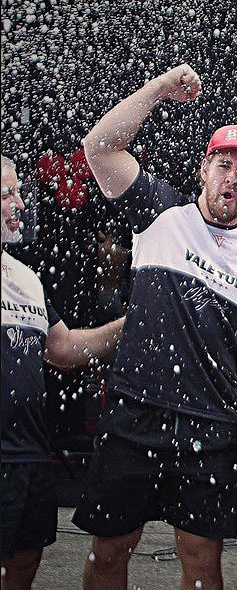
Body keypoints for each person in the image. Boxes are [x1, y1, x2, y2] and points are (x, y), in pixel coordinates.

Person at [72, 65, 237, 590]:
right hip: (135, 412)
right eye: (223, 164)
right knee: (109, 554)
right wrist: (156, 89)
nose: (231, 178)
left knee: (201, 566)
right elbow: (99, 148)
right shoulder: (160, 211)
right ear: (203, 168)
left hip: (211, 425)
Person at [1, 155, 125, 590]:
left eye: (18, 192)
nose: (19, 203)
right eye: (7, 194)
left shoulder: (25, 279)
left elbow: (65, 349)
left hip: (30, 454)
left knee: (24, 562)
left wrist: (136, 318)